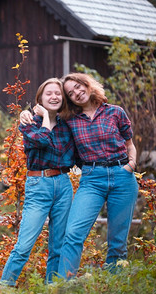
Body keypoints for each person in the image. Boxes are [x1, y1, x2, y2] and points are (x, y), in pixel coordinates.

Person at [20, 73, 139, 280]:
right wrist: (26, 112)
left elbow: (130, 144)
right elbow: (47, 120)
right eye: (70, 93)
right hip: (92, 179)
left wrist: (131, 165)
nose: (76, 93)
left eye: (78, 87)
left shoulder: (115, 112)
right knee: (73, 233)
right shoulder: (70, 120)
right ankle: (63, 284)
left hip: (123, 177)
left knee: (117, 241)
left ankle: (112, 286)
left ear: (88, 85)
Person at [0, 78, 77, 286]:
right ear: (40, 99)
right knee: (24, 244)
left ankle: (51, 290)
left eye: (58, 93)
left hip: (63, 185)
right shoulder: (28, 122)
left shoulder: (66, 125)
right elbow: (42, 140)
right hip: (38, 185)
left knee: (58, 245)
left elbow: (71, 156)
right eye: (49, 93)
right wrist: (43, 118)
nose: (54, 97)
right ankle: (4, 288)